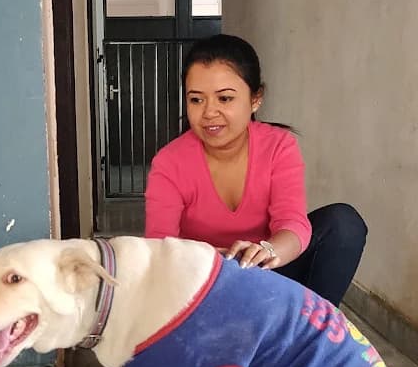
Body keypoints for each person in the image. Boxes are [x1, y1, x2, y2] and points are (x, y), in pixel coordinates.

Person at [144, 33, 367, 307]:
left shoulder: (278, 146)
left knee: (343, 224)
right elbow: (160, 245)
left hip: (268, 272)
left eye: (224, 99)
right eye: (196, 100)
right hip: (203, 284)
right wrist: (221, 260)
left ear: (255, 99)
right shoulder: (170, 162)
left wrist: (266, 251)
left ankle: (310, 332)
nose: (209, 112)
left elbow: (293, 223)